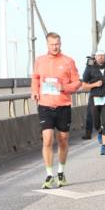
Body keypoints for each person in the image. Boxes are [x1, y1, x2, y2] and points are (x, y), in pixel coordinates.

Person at [32, 32, 83, 189]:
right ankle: (49, 175)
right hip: (45, 104)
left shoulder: (68, 61)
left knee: (63, 139)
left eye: (57, 44)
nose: (55, 47)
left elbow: (77, 83)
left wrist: (63, 87)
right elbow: (35, 78)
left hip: (63, 105)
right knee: (47, 139)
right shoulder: (40, 61)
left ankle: (60, 172)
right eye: (52, 44)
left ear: (60, 44)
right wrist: (34, 90)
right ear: (47, 44)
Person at [81, 50, 105, 155]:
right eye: (99, 56)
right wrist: (95, 84)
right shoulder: (89, 69)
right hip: (94, 98)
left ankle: (103, 147)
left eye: (102, 56)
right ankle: (99, 130)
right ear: (95, 58)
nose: (101, 57)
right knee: (96, 122)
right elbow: (84, 86)